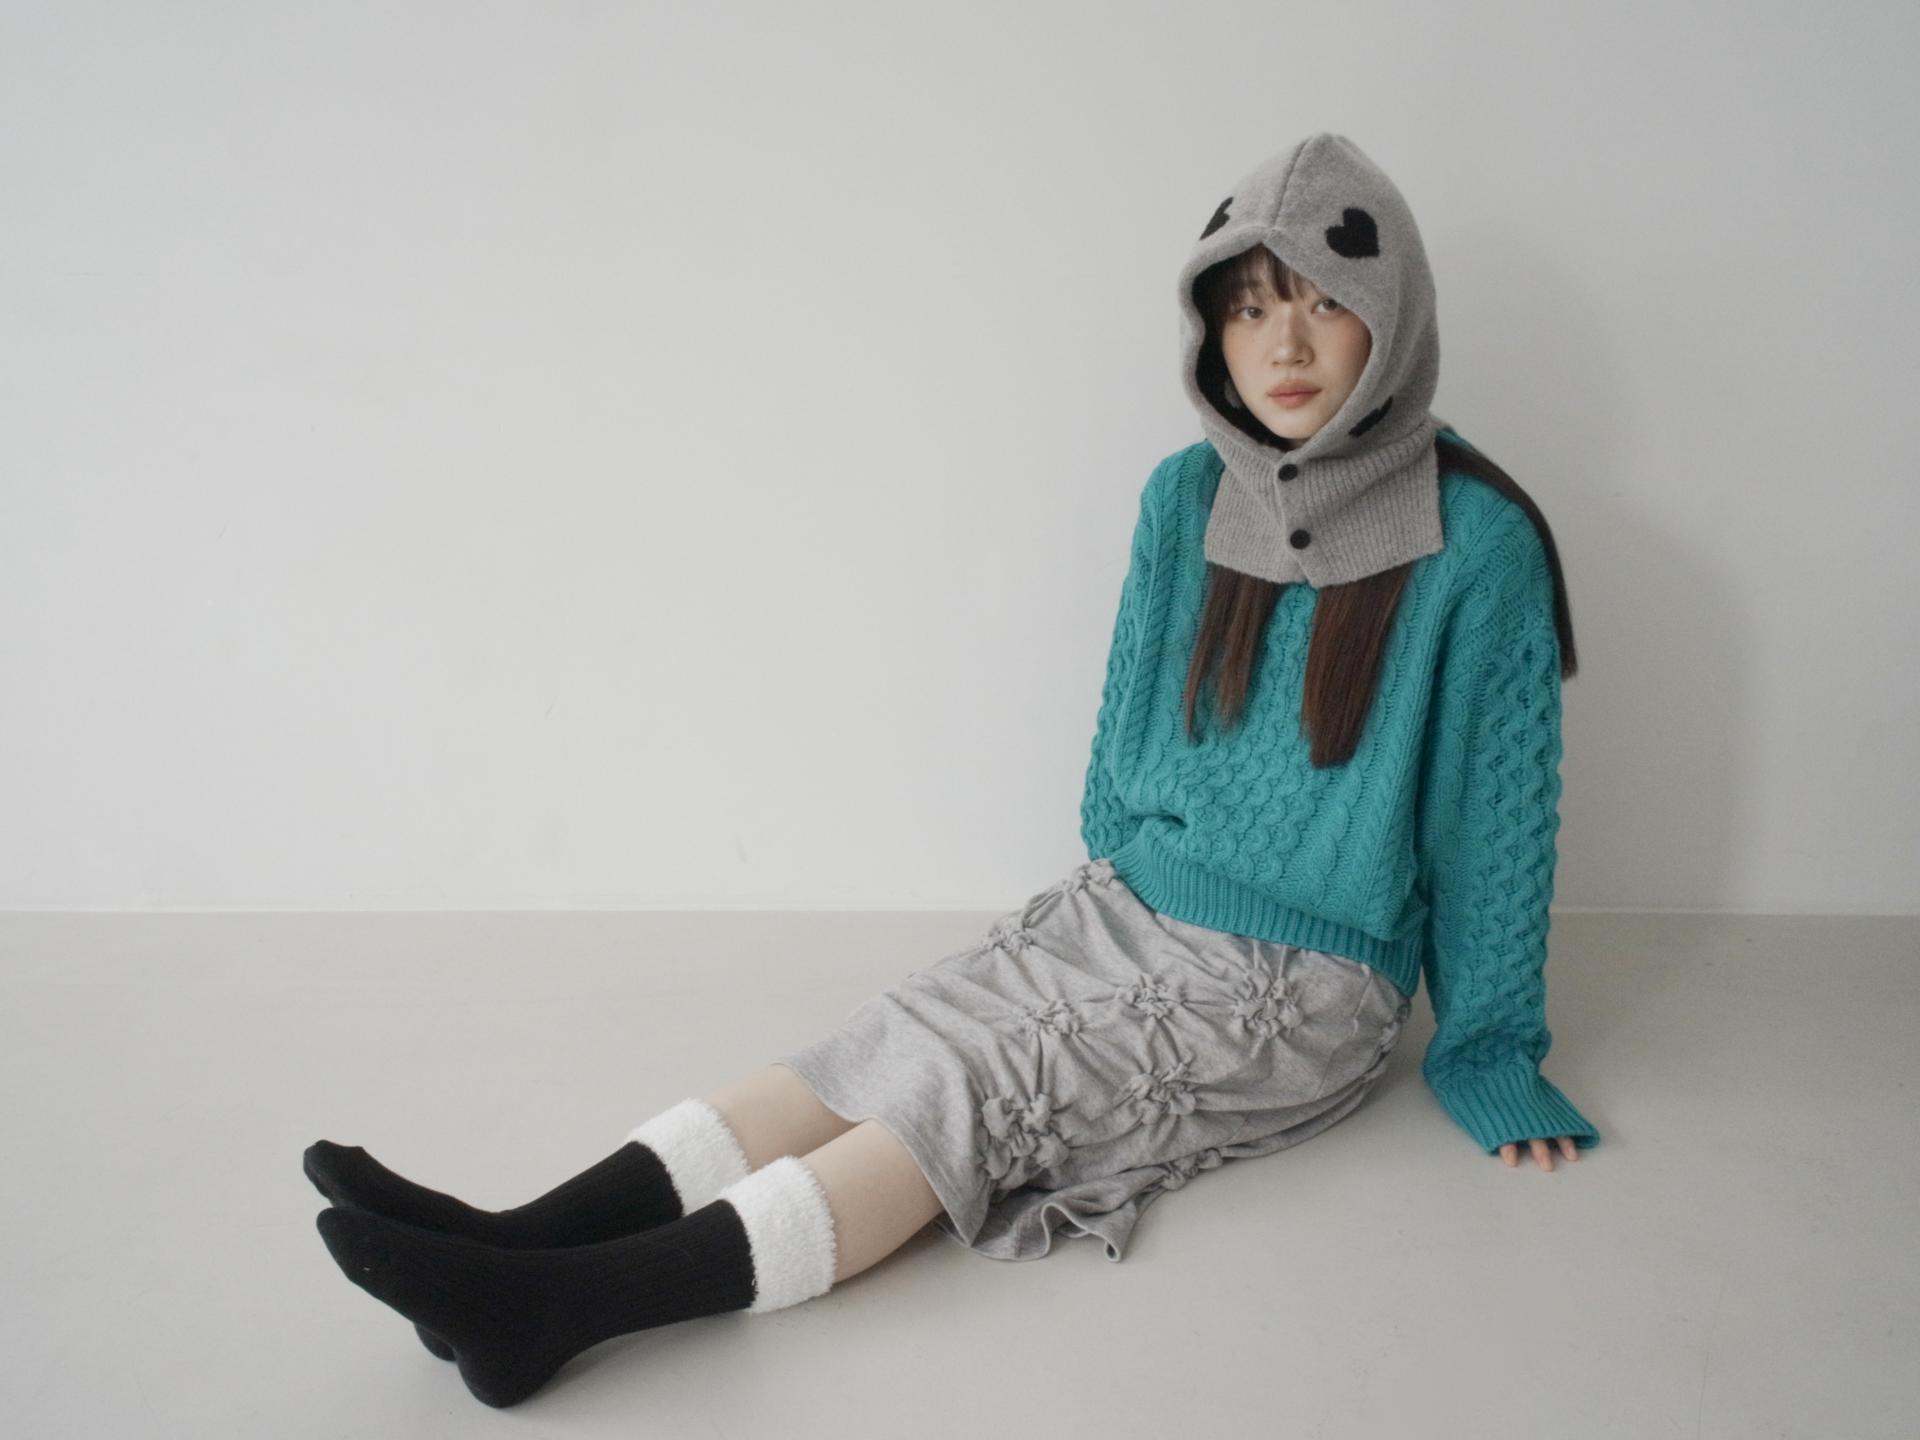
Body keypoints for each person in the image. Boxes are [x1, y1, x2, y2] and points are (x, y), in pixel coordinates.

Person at [306, 131, 1603, 1409]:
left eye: (1326, 303)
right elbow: (1123, 744)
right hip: (1133, 902)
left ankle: (553, 1309)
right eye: (1252, 308)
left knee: (971, 1091)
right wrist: (1105, 913)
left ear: (1395, 317)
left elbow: (1494, 835)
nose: (1286, 347)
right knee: (885, 1040)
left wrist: (1488, 1049)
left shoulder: (1478, 544)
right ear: (1211, 328)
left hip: (1308, 977)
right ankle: (516, 1239)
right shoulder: (1184, 496)